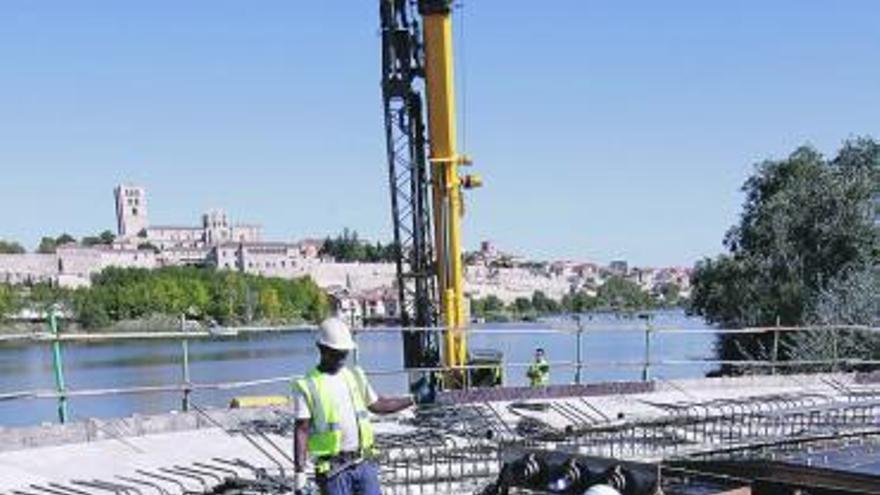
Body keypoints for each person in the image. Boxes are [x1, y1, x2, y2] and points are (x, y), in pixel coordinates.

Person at [292, 317, 419, 495]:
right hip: (334, 471)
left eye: (345, 352)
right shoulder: (307, 385)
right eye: (337, 352)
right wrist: (299, 473)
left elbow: (377, 405)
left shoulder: (354, 376)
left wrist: (413, 399)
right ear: (322, 348)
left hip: (364, 464)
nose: (342, 357)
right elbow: (301, 430)